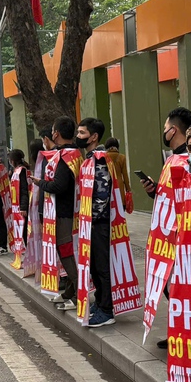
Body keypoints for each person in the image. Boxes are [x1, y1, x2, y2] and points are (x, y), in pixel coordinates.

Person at [31, 116, 80, 310]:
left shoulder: (63, 157)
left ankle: (77, 295)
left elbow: (59, 185)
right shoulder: (76, 154)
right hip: (71, 211)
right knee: (67, 252)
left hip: (63, 213)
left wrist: (39, 183)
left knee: (66, 253)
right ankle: (69, 291)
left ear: (56, 134)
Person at [77, 118, 118, 327]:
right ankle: (100, 303)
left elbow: (102, 194)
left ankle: (106, 310)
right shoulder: (90, 158)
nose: (78, 136)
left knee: (101, 266)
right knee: (93, 265)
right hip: (89, 222)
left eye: (82, 133)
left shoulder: (100, 160)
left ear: (93, 137)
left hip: (98, 222)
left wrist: (91, 220)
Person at [142, 107, 191, 198]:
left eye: (165, 128)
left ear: (173, 130)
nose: (164, 132)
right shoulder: (172, 158)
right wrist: (154, 189)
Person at [104, 137, 133, 214]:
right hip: (119, 189)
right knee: (120, 213)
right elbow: (125, 175)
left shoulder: (104, 157)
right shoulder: (122, 157)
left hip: (107, 186)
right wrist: (128, 189)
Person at [8, 148, 30, 246]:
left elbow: (24, 190)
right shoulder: (16, 171)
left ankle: (28, 250)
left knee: (24, 229)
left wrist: (23, 207)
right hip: (17, 206)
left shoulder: (21, 171)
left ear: (12, 160)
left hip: (21, 206)